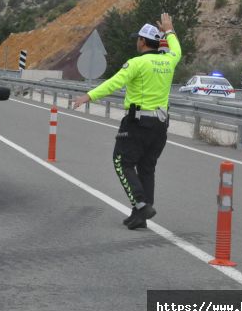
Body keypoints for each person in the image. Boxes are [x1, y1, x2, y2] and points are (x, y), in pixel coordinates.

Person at [72, 13, 181, 230]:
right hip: (160, 125)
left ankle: (141, 205)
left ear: (142, 41)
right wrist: (169, 30)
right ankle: (140, 213)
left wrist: (88, 96)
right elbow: (177, 49)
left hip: (137, 123)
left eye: (137, 39)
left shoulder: (136, 63)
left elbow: (113, 83)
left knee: (122, 162)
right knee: (147, 167)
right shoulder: (169, 59)